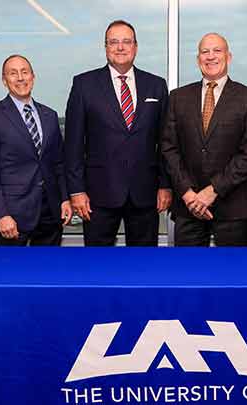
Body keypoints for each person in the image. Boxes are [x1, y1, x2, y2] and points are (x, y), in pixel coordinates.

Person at [64, 20, 171, 246]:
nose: (120, 47)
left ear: (135, 47)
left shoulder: (156, 85)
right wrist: (76, 191)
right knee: (97, 266)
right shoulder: (84, 85)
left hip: (145, 193)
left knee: (143, 265)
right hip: (97, 195)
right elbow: (73, 144)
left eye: (126, 42)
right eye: (114, 42)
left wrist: (165, 184)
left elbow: (165, 142)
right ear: (106, 47)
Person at [161, 33, 247, 246]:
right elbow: (169, 148)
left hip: (234, 207)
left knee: (233, 276)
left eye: (217, 50)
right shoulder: (178, 97)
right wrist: (189, 194)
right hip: (188, 207)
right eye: (204, 52)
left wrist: (213, 190)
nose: (211, 56)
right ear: (198, 59)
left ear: (229, 57)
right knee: (188, 276)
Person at [0, 55, 71, 246]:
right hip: (12, 215)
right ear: (4, 80)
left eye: (25, 72)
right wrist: (0, 214)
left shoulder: (50, 116)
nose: (20, 78)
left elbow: (58, 163)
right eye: (13, 73)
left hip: (50, 214)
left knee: (47, 272)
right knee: (11, 274)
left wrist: (64, 199)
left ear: (33, 77)